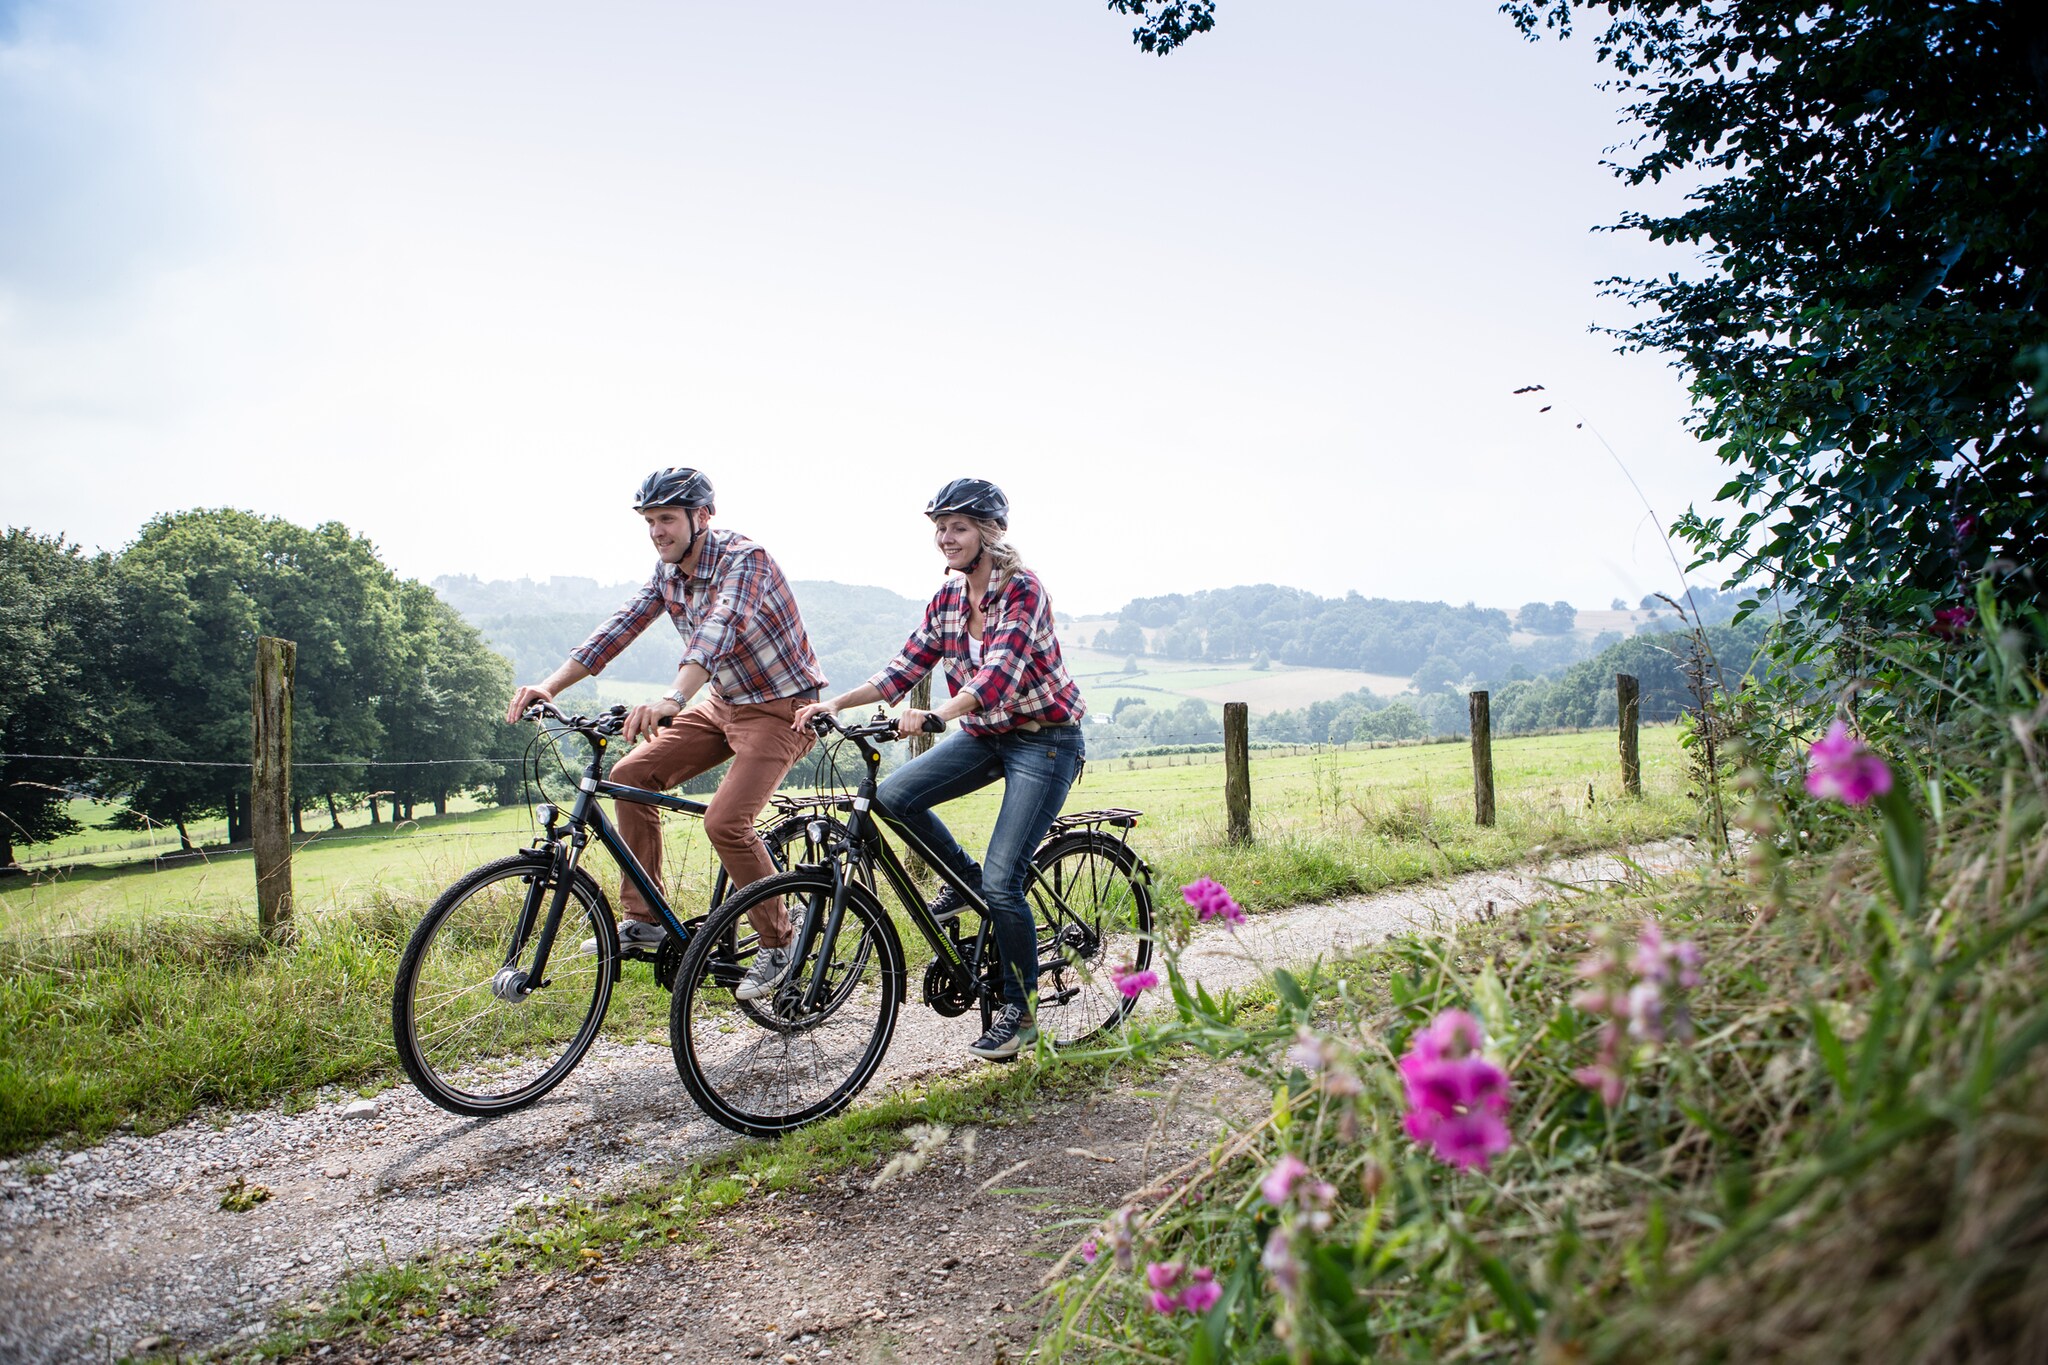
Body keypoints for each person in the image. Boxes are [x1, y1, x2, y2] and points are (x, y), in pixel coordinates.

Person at [794, 478, 1086, 1060]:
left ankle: (1021, 1011)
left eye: (958, 527)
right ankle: (965, 881)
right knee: (893, 798)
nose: (945, 538)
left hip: (1044, 741)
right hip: (985, 735)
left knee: (1008, 877)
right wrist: (837, 703)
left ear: (990, 533)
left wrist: (936, 713)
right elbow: (901, 668)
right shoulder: (947, 599)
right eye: (940, 528)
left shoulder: (1023, 590)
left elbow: (996, 676)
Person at [506, 467, 825, 999]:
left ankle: (781, 941)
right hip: (723, 704)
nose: (658, 531)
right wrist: (550, 685)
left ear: (702, 517)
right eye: (650, 521)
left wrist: (674, 698)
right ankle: (647, 917)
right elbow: (618, 628)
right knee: (631, 775)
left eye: (668, 519)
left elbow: (717, 632)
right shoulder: (667, 573)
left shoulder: (748, 559)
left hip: (781, 710)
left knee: (726, 823)